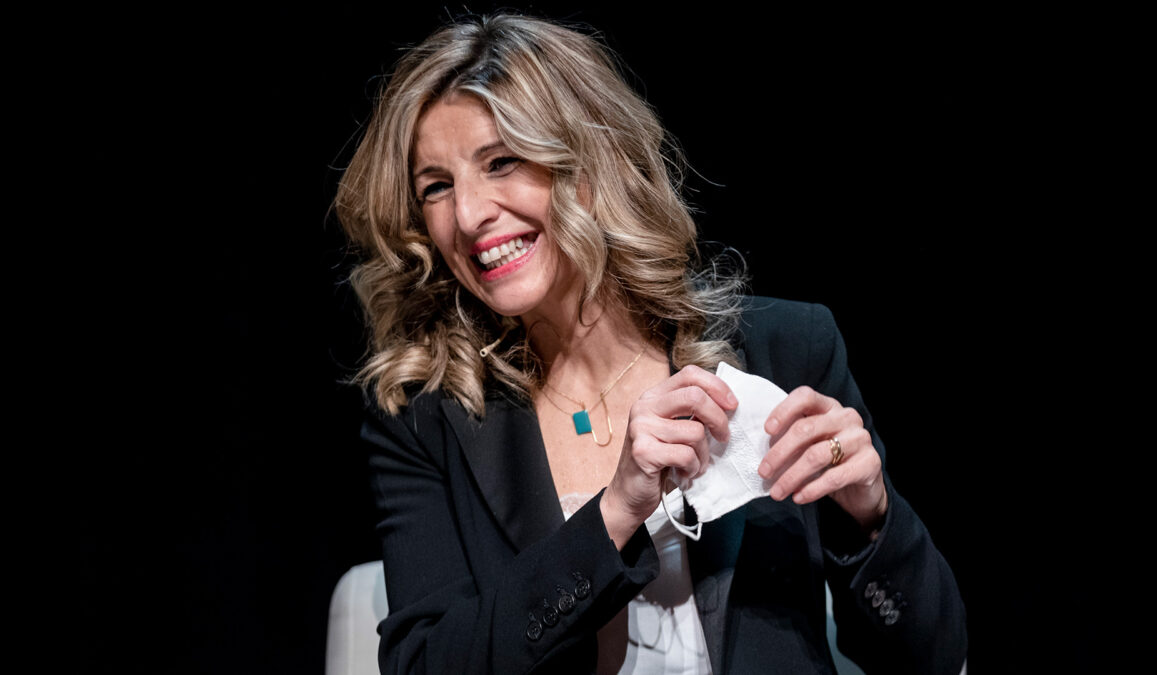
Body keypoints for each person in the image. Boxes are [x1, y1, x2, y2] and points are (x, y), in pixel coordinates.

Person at [335, 13, 966, 674]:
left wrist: (871, 518)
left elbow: (934, 657)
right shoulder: (426, 416)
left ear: (589, 164)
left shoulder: (787, 348)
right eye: (436, 187)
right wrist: (614, 514)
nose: (468, 215)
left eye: (502, 162)